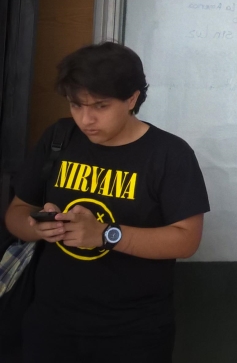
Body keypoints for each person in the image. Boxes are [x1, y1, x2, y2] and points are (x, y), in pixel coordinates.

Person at [3, 42, 210, 362]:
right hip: (49, 322)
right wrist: (37, 227)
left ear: (132, 99)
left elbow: (186, 240)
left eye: (100, 106)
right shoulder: (59, 138)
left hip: (132, 332)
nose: (86, 119)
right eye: (76, 105)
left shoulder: (169, 154)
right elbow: (16, 213)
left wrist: (105, 234)